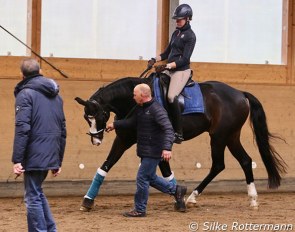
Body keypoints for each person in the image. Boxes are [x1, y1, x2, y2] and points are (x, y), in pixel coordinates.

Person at [105, 83, 187, 217]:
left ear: (143, 95)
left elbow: (168, 129)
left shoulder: (157, 110)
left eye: (135, 94)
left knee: (142, 178)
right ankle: (176, 190)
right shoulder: (141, 108)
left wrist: (167, 148)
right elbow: (132, 122)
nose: (133, 97)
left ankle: (140, 209)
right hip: (145, 150)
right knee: (151, 177)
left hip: (154, 150)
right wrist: (115, 124)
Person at [12, 58, 67, 231]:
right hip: (50, 151)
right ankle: (51, 229)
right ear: (40, 71)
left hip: (34, 153)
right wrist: (58, 159)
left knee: (32, 197)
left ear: (21, 75)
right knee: (37, 192)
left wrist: (17, 159)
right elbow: (63, 129)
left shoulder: (25, 94)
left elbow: (22, 128)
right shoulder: (57, 96)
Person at [148, 4, 196, 144]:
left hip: (181, 71)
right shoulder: (176, 33)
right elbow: (167, 52)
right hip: (169, 69)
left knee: (170, 96)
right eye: (176, 19)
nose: (177, 21)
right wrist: (154, 59)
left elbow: (185, 59)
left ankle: (179, 132)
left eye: (179, 19)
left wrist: (167, 66)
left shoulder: (190, 36)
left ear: (187, 19)